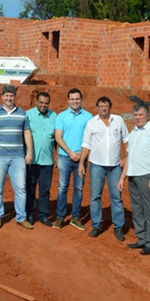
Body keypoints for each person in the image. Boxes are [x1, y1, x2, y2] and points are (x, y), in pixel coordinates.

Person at [79, 96, 128, 240]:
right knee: (95, 196)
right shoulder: (91, 123)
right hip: (96, 165)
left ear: (110, 107)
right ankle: (96, 225)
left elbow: (127, 140)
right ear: (97, 107)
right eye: (101, 106)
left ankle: (118, 227)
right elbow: (86, 144)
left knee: (116, 197)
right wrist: (82, 163)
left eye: (106, 105)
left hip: (115, 166)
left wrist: (126, 158)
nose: (104, 108)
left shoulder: (118, 121)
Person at [118, 103, 150, 255]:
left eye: (140, 115)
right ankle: (142, 238)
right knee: (137, 209)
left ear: (147, 116)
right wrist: (122, 177)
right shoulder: (133, 133)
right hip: (133, 175)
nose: (137, 118)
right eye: (135, 115)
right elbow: (128, 156)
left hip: (146, 175)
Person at [0, 84, 33, 229]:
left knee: (20, 188)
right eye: (6, 95)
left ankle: (21, 217)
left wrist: (30, 152)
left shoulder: (22, 113)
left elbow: (26, 133)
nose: (9, 98)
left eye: (11, 95)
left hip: (18, 157)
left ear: (15, 97)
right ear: (2, 96)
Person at [53, 88, 92, 230]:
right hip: (65, 157)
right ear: (68, 100)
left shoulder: (88, 117)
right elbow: (58, 137)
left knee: (79, 188)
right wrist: (70, 152)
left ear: (81, 99)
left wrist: (81, 156)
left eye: (77, 99)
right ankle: (60, 217)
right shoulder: (61, 116)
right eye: (72, 99)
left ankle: (75, 217)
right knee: (62, 187)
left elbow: (89, 139)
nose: (75, 101)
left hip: (81, 159)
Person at [25, 92, 57, 226]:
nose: (43, 105)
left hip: (47, 159)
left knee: (45, 189)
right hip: (31, 159)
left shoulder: (54, 116)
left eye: (46, 103)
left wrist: (57, 156)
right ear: (36, 102)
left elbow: (56, 138)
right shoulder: (28, 115)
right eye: (41, 102)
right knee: (30, 187)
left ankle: (43, 215)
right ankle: (30, 214)